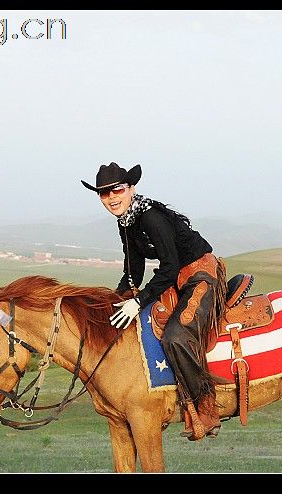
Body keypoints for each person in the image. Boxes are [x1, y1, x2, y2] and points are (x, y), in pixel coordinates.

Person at [81, 162, 227, 441]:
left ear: (131, 189)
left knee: (176, 336)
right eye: (104, 194)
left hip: (200, 273)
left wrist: (139, 301)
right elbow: (133, 271)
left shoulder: (150, 218)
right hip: (177, 279)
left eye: (117, 190)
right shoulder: (126, 222)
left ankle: (206, 408)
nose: (111, 197)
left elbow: (169, 266)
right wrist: (116, 300)